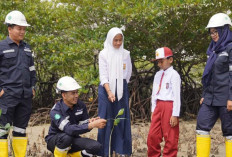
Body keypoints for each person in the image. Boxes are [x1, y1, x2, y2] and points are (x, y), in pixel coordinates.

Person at [0, 10, 36, 157]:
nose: (22, 31)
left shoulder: (27, 48)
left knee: (21, 130)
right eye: (19, 28)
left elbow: (32, 69)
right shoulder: (1, 47)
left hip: (25, 96)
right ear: (10, 28)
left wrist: (33, 87)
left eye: (24, 29)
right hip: (7, 96)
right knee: (2, 130)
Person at [196, 13, 232, 156]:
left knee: (229, 132)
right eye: (211, 32)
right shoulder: (212, 50)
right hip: (210, 97)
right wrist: (205, 95)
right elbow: (209, 75)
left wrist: (231, 97)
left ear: (224, 30)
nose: (213, 35)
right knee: (201, 126)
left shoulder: (230, 48)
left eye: (216, 31)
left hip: (226, 98)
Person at [45, 76, 107, 157]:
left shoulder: (80, 105)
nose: (77, 95)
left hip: (72, 139)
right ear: (64, 95)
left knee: (96, 146)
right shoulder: (56, 111)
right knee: (66, 138)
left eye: (77, 92)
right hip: (55, 140)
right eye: (73, 93)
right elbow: (68, 129)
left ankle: (71, 155)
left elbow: (83, 126)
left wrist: (91, 122)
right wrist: (91, 125)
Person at [97, 27, 132, 156]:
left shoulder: (126, 54)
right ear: (110, 39)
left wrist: (120, 88)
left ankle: (121, 150)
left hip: (121, 89)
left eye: (120, 40)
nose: (118, 43)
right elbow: (103, 76)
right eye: (115, 40)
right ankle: (104, 152)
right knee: (105, 119)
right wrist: (110, 91)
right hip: (106, 89)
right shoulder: (103, 54)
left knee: (121, 118)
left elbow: (128, 74)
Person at [147, 47, 181, 157]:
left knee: (170, 137)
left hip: (169, 105)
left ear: (170, 60)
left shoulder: (174, 75)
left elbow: (176, 96)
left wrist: (175, 114)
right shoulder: (158, 75)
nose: (159, 64)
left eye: (161, 61)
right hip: (158, 106)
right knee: (152, 136)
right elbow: (154, 93)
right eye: (158, 62)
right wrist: (153, 109)